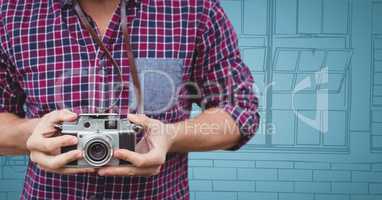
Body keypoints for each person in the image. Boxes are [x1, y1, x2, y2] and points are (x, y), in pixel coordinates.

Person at [0, 0, 260, 199]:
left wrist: (169, 135)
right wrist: (35, 133)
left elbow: (240, 110)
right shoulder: (9, 12)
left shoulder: (196, 9)